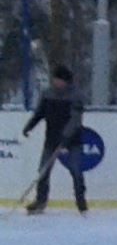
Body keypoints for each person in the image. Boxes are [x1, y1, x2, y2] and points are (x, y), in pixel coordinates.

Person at [20, 64, 88, 216]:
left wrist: (65, 138)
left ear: (66, 81)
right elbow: (40, 113)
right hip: (51, 139)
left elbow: (75, 120)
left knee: (75, 170)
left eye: (59, 80)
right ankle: (40, 201)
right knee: (43, 170)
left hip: (72, 140)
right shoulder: (47, 94)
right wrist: (29, 126)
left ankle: (81, 203)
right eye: (55, 79)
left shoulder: (76, 96)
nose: (56, 82)